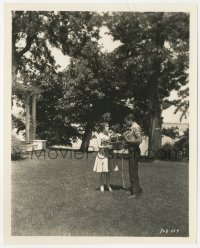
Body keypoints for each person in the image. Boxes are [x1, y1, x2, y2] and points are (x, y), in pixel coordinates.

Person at [93, 123, 119, 192]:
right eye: (107, 126)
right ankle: (102, 185)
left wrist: (115, 139)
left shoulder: (109, 135)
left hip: (109, 154)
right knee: (103, 171)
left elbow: (113, 141)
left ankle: (108, 184)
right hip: (103, 154)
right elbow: (99, 146)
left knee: (109, 170)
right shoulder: (99, 136)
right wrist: (106, 146)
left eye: (108, 126)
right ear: (103, 127)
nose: (108, 127)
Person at [123, 113, 143, 199]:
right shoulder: (132, 128)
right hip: (132, 150)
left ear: (130, 120)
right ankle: (134, 189)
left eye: (126, 121)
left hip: (134, 151)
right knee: (132, 171)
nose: (126, 123)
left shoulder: (136, 127)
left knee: (133, 171)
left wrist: (128, 141)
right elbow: (133, 138)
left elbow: (139, 140)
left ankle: (135, 193)